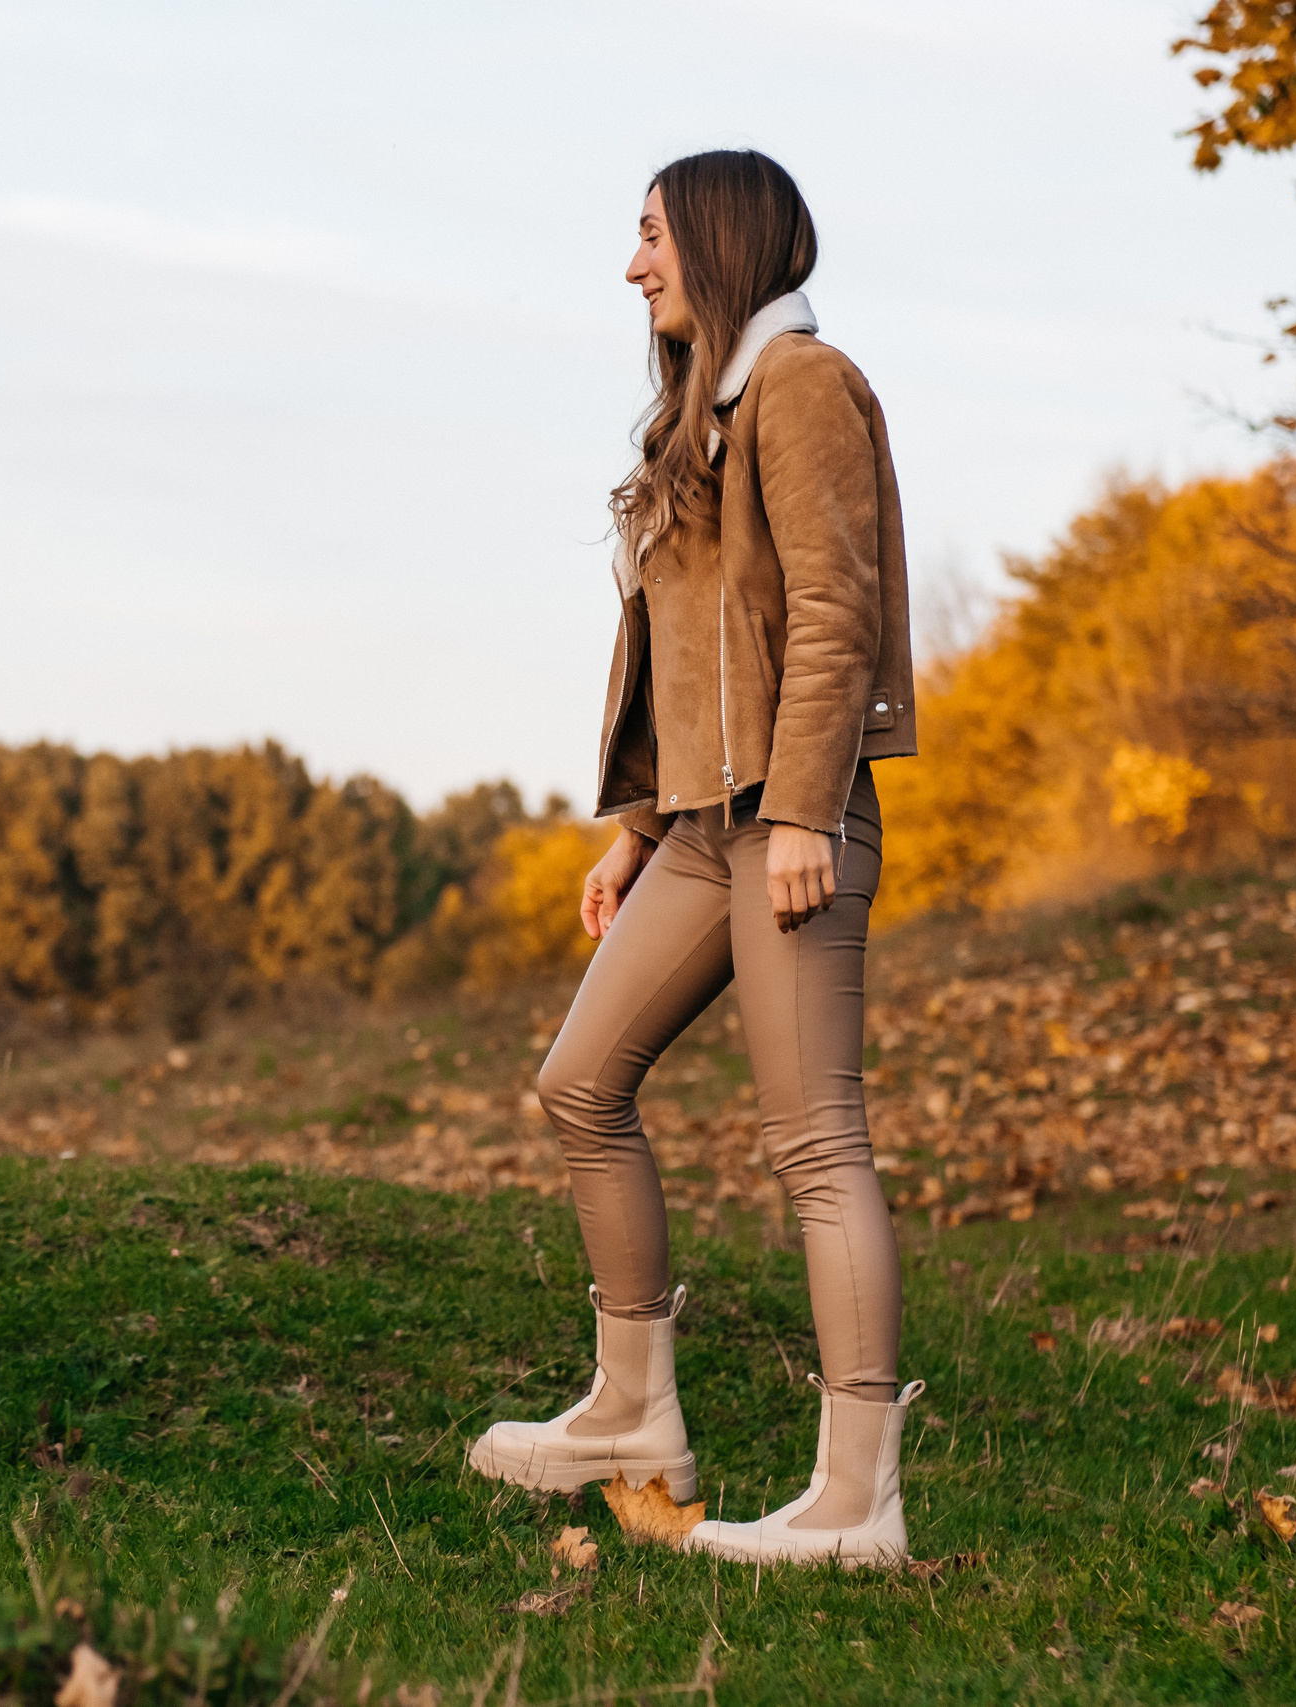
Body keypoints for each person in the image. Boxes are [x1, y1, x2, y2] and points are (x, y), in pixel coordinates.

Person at [465, 150, 925, 1568]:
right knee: (580, 1081)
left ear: (719, 240)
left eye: (653, 235)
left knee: (814, 1140)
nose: (633, 265)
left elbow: (835, 611)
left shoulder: (802, 382)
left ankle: (857, 1499)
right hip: (705, 824)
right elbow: (700, 656)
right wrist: (638, 830)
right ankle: (632, 1413)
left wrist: (803, 812)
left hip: (790, 822)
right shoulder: (703, 415)